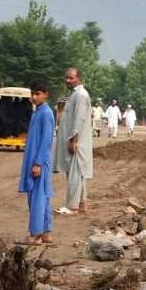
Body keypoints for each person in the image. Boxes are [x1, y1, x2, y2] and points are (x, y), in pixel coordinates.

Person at [18, 81, 54, 244]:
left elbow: (46, 140)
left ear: (46, 94)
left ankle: (35, 234)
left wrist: (38, 163)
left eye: (38, 93)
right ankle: (46, 233)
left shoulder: (46, 113)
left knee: (37, 197)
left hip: (39, 162)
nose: (34, 97)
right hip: (35, 160)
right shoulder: (38, 112)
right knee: (43, 197)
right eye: (32, 93)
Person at [54, 68, 94, 215]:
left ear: (79, 78)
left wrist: (74, 141)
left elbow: (79, 120)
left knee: (75, 174)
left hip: (77, 142)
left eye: (71, 78)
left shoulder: (81, 95)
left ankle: (72, 206)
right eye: (66, 78)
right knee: (78, 173)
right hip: (74, 141)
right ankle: (82, 204)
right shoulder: (74, 95)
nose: (67, 81)